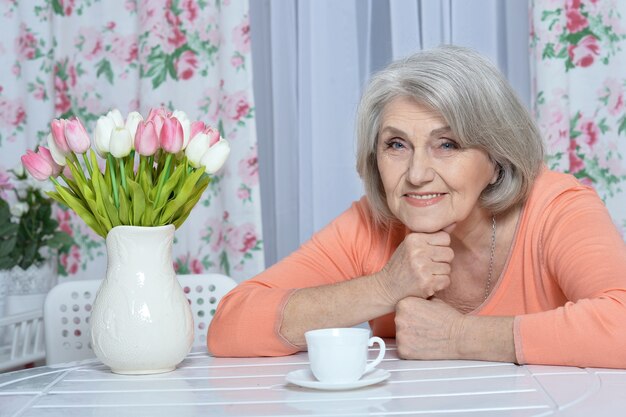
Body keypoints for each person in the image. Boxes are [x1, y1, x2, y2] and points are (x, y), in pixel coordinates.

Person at [207, 45, 626, 368]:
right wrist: (384, 287)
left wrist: (460, 336)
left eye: (447, 144)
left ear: (497, 156)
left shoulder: (557, 208)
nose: (417, 173)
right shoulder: (370, 225)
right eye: (396, 145)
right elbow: (230, 327)